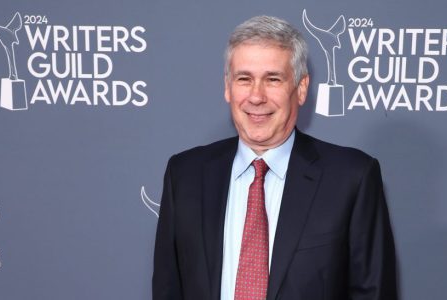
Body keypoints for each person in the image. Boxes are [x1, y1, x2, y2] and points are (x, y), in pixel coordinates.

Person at [153, 15, 397, 300]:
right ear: (227, 87)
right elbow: (168, 289)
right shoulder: (184, 175)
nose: (256, 97)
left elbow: (373, 292)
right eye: (244, 79)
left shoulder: (351, 178)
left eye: (273, 79)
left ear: (301, 88)